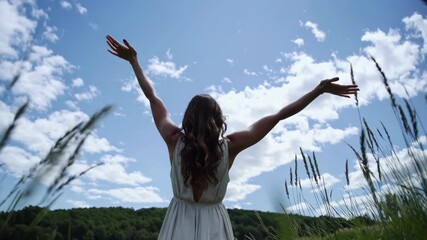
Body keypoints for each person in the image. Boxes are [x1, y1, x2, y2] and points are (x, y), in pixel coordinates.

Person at [106, 35, 359, 239]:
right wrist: (318, 90)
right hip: (215, 224)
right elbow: (279, 115)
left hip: (178, 222)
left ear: (189, 118)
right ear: (218, 120)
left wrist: (134, 62)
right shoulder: (231, 146)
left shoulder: (173, 138)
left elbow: (153, 97)